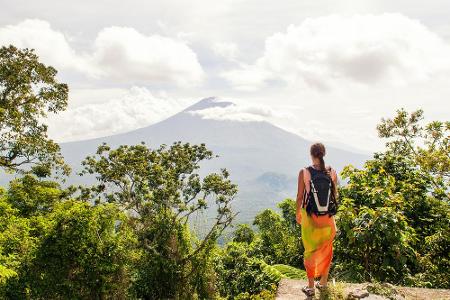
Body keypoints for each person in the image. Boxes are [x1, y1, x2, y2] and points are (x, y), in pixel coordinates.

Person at [296, 142, 338, 298]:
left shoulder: (304, 172)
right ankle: (324, 282)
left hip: (311, 221)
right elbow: (335, 196)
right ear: (324, 154)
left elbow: (300, 197)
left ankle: (311, 287)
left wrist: (298, 213)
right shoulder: (332, 172)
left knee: (310, 252)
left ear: (311, 154)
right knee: (327, 250)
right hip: (328, 221)